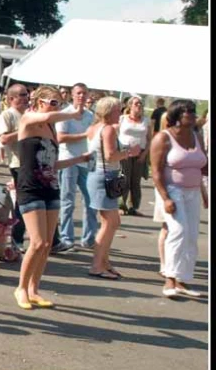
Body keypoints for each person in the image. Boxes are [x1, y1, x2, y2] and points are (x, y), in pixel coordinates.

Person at [13, 86, 92, 309]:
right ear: (39, 102)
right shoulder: (28, 118)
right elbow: (48, 115)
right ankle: (20, 288)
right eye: (54, 102)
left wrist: (79, 159)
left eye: (59, 102)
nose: (57, 106)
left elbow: (52, 163)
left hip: (50, 186)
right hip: (30, 187)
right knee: (36, 242)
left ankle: (33, 289)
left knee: (47, 243)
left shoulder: (51, 128)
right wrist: (74, 113)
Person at [150, 99, 207, 298]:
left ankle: (183, 280)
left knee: (191, 235)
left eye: (193, 112)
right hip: (172, 190)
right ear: (177, 115)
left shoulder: (196, 136)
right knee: (178, 231)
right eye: (188, 112)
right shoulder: (163, 138)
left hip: (192, 191)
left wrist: (204, 193)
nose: (192, 115)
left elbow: (202, 166)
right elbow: (156, 172)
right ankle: (169, 279)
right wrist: (165, 198)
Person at [85, 96, 141, 280]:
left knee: (110, 222)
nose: (120, 113)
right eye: (118, 110)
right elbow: (110, 155)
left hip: (98, 175)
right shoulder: (107, 129)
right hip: (105, 176)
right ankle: (97, 265)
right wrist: (129, 152)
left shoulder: (95, 128)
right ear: (109, 112)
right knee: (110, 223)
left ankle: (104, 262)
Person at [56, 82, 98, 250]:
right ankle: (66, 237)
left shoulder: (90, 115)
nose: (81, 96)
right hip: (68, 160)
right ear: (72, 95)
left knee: (91, 200)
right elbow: (60, 137)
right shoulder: (65, 114)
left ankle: (88, 238)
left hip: (86, 161)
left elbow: (94, 136)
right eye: (78, 93)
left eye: (84, 93)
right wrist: (83, 135)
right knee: (68, 201)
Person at [0, 84, 29, 250]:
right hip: (18, 163)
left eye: (27, 95)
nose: (26, 98)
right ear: (11, 98)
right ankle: (16, 240)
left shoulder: (30, 114)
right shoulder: (7, 115)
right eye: (22, 95)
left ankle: (53, 240)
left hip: (33, 163)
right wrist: (24, 130)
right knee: (22, 202)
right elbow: (3, 139)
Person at [117, 95, 152, 216]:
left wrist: (144, 155)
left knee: (135, 181)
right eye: (136, 103)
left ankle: (134, 207)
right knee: (124, 178)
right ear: (130, 105)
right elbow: (115, 135)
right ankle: (121, 205)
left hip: (140, 153)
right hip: (125, 152)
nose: (139, 105)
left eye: (141, 103)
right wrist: (120, 152)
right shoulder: (122, 119)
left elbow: (149, 139)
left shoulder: (146, 120)